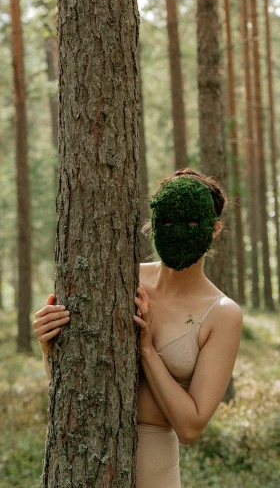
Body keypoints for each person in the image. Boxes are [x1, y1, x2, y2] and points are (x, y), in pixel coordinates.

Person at [33, 168, 243, 488]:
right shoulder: (123, 276)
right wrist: (50, 347)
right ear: (154, 224)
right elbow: (75, 383)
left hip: (155, 472)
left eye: (191, 223)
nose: (178, 231)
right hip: (85, 457)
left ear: (214, 229)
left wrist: (147, 349)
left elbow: (190, 427)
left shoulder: (222, 313)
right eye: (168, 222)